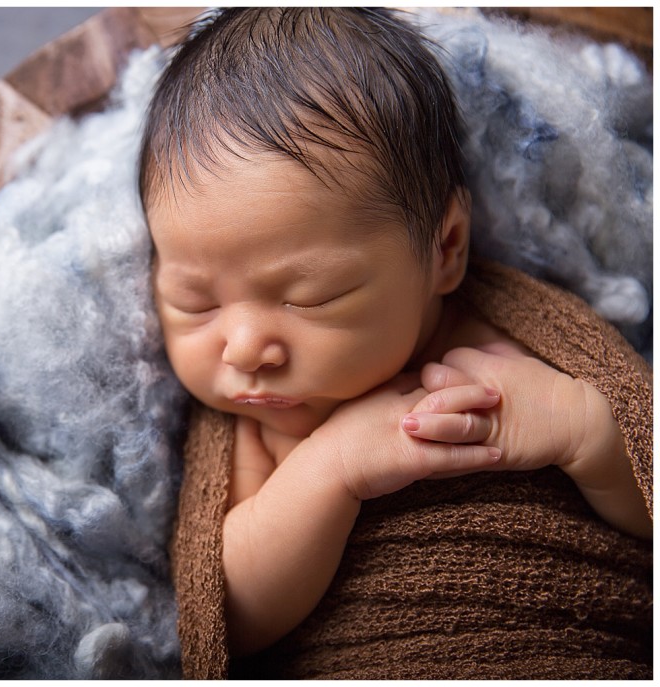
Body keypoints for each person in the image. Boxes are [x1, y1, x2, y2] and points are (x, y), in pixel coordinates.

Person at [136, 7, 651, 658]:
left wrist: (589, 431)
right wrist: (332, 468)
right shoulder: (257, 427)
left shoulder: (514, 339)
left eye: (308, 297)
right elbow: (228, 621)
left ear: (445, 249)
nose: (241, 349)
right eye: (194, 302)